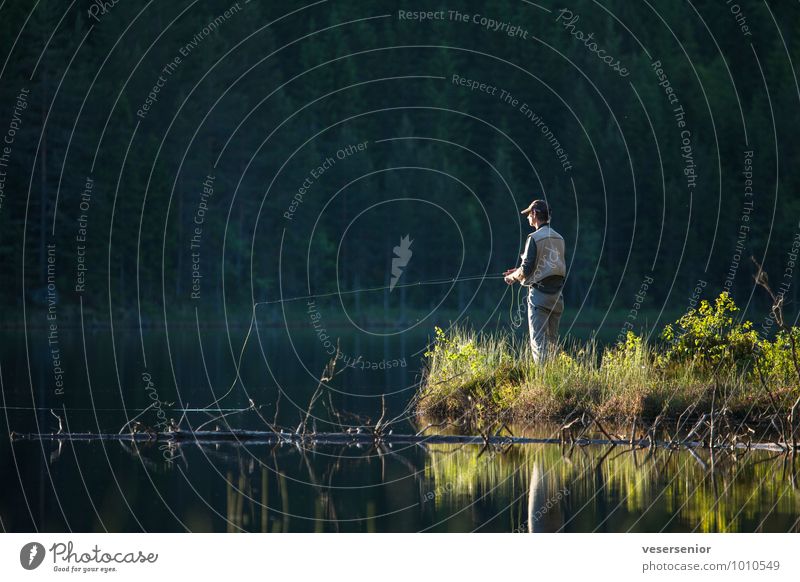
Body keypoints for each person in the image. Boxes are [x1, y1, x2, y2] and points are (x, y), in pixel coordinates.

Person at [504, 199, 567, 362]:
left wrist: (512, 277)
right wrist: (518, 270)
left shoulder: (534, 237)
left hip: (540, 296)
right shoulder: (559, 237)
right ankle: (554, 378)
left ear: (534, 214)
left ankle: (543, 381)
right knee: (553, 343)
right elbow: (548, 264)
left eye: (528, 215)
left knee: (539, 343)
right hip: (558, 297)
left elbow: (526, 269)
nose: (527, 218)